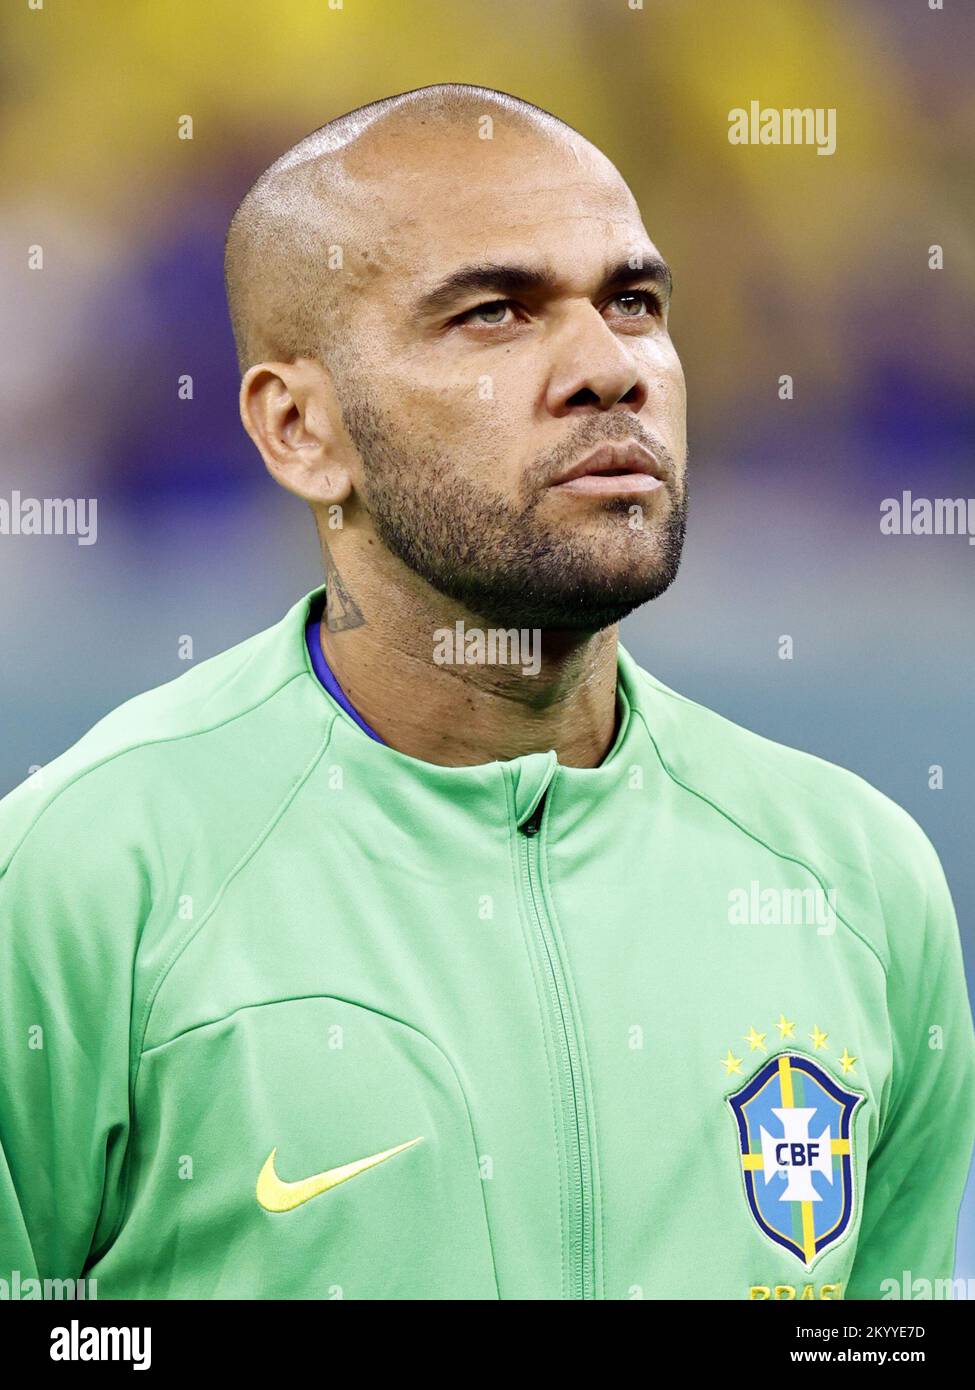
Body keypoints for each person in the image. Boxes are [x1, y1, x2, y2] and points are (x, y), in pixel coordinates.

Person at [1, 84, 972, 1301]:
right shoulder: (83, 878)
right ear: (301, 428)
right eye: (495, 314)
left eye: (633, 302)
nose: (610, 369)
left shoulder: (858, 878)